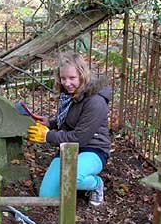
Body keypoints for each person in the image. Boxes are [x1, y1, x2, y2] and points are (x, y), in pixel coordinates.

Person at [27, 51, 110, 207]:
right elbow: (68, 121)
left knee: (71, 177)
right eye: (63, 78)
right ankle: (77, 180)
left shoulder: (96, 102)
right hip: (68, 149)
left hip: (93, 149)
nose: (67, 83)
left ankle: (96, 183)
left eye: (72, 78)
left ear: (82, 75)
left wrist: (47, 136)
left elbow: (80, 138)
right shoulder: (69, 94)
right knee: (46, 197)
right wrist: (50, 124)